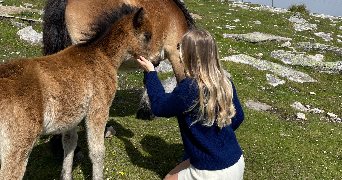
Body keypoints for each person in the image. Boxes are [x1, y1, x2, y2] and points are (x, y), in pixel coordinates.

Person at [136, 29, 245, 180]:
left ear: (187, 54)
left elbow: (159, 106)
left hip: (212, 172)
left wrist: (151, 73)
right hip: (236, 161)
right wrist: (215, 141)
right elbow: (238, 117)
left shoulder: (190, 88)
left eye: (180, 46)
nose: (178, 50)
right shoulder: (225, 82)